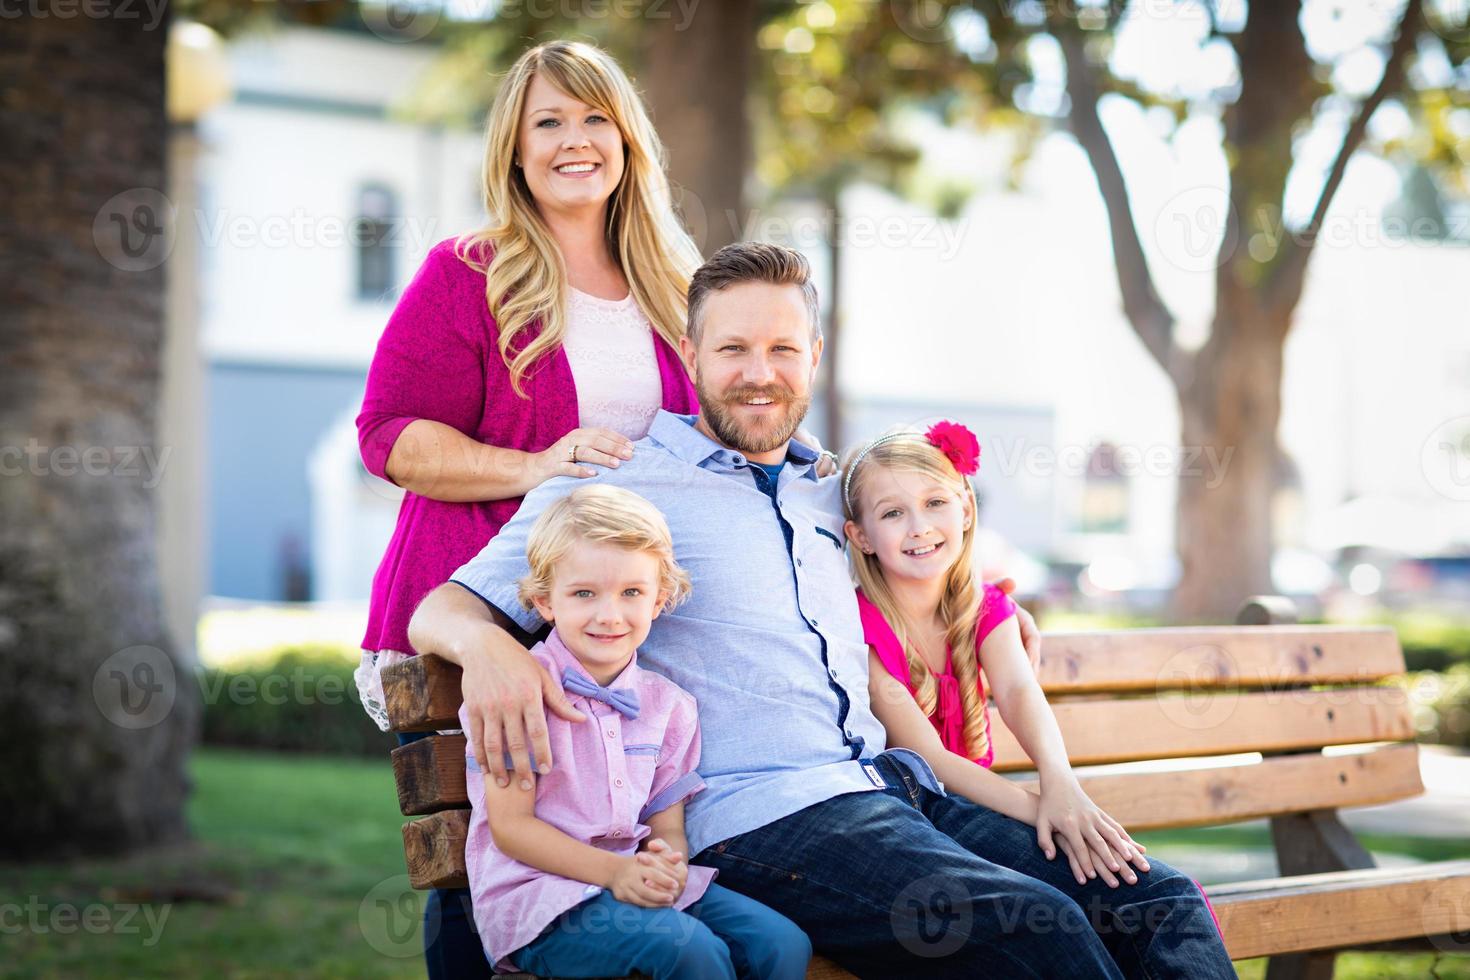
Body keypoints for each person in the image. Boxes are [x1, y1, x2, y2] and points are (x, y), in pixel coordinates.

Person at [409, 241, 1236, 978]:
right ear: (690, 352)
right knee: (1036, 929)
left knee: (1154, 898)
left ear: (814, 356)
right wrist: (489, 651)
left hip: (896, 786)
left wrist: (989, 611)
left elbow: (926, 548)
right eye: (732, 349)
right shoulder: (615, 483)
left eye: (780, 349)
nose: (757, 372)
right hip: (759, 820)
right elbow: (439, 611)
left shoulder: (829, 489)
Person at [354, 40, 701, 977]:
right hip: (472, 613)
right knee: (486, 869)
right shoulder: (470, 271)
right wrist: (539, 464)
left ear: (629, 140)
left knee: (605, 858)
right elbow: (391, 435)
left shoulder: (674, 289)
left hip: (607, 624)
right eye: (549, 121)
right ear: (514, 148)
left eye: (595, 119)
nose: (574, 140)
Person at [461, 483, 810, 978]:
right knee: (690, 953)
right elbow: (512, 828)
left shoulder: (668, 706)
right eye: (584, 593)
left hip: (631, 878)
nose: (610, 615)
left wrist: (665, 862)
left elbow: (665, 824)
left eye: (631, 593)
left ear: (659, 599)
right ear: (544, 601)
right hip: (541, 899)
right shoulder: (516, 695)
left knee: (780, 944)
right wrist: (617, 873)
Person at [842, 421, 1150, 886]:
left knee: (1159, 894)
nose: (919, 527)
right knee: (1084, 896)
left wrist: (1061, 783)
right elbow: (930, 761)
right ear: (860, 536)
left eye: (935, 503)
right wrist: (1047, 808)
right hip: (918, 825)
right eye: (892, 514)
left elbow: (1017, 689)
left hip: (987, 812)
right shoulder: (860, 629)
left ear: (965, 508)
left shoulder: (985, 609)